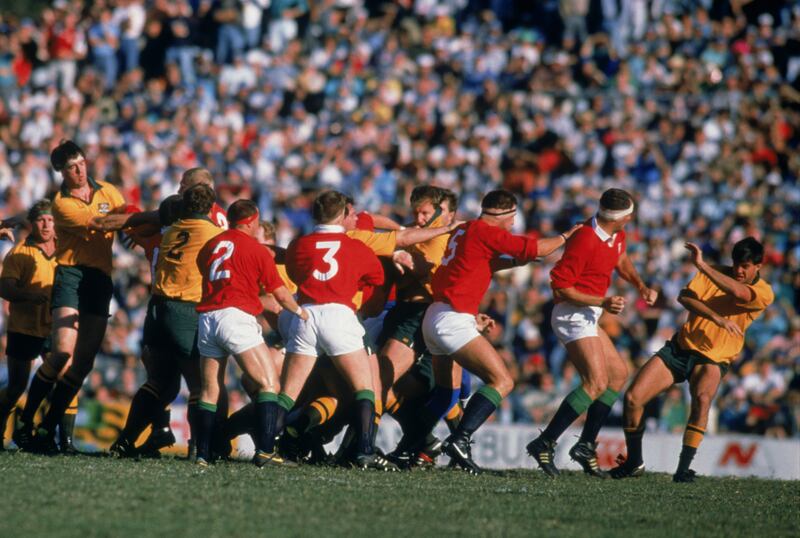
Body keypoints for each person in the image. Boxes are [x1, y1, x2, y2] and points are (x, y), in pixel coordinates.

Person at [407, 189, 579, 474]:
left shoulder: (466, 229)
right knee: (502, 381)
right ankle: (460, 440)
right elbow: (538, 248)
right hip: (452, 318)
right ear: (502, 214)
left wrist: (514, 262)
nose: (513, 223)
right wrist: (566, 236)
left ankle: (407, 449)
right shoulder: (486, 231)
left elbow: (485, 262)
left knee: (445, 395)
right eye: (512, 217)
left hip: (436, 314)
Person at [611, 237, 774, 482]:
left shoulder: (764, 292)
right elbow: (684, 297)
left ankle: (683, 470)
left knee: (702, 400)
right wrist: (716, 317)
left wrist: (702, 266)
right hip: (681, 348)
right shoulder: (714, 272)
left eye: (746, 266)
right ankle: (634, 462)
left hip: (714, 357)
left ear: (758, 266)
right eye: (736, 264)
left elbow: (739, 292)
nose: (739, 270)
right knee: (633, 397)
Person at [527, 188, 658, 478]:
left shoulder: (615, 233)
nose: (631, 218)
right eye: (629, 214)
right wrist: (603, 302)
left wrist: (640, 286)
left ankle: (585, 445)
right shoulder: (585, 239)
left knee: (618, 375)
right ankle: (544, 442)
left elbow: (620, 259)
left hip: (588, 312)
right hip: (571, 314)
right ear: (621, 217)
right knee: (596, 382)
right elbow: (560, 286)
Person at [18, 140, 125, 453]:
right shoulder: (61, 203)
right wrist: (145, 219)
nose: (79, 171)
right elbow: (103, 223)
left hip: (100, 278)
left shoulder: (108, 191)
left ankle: (46, 429)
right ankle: (26, 419)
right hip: (71, 275)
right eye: (71, 168)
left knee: (84, 363)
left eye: (81, 163)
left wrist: (136, 232)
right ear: (61, 173)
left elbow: (125, 217)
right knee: (63, 352)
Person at [109, 184, 223, 458]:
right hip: (185, 310)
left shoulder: (168, 231)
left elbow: (135, 224)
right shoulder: (212, 233)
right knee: (199, 384)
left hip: (156, 310)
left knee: (159, 382)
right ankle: (200, 448)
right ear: (210, 208)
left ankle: (126, 439)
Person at [279, 190, 387, 469]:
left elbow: (293, 273)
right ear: (342, 215)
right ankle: (364, 451)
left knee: (288, 392)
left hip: (306, 315)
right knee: (364, 388)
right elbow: (376, 277)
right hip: (340, 315)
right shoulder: (356, 247)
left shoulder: (299, 245)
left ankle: (269, 446)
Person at [195, 199, 307, 467]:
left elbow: (203, 268)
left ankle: (202, 454)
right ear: (251, 222)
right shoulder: (256, 249)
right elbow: (280, 294)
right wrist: (301, 313)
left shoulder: (210, 245)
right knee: (269, 383)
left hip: (208, 318)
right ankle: (266, 451)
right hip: (236, 317)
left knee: (209, 390)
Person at [0, 201, 57, 450]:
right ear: (32, 224)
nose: (46, 225)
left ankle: (47, 433)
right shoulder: (20, 253)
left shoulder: (65, 249)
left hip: (54, 327)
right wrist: (28, 296)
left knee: (61, 377)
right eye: (41, 220)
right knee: (16, 387)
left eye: (50, 220)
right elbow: (5, 288)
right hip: (24, 326)